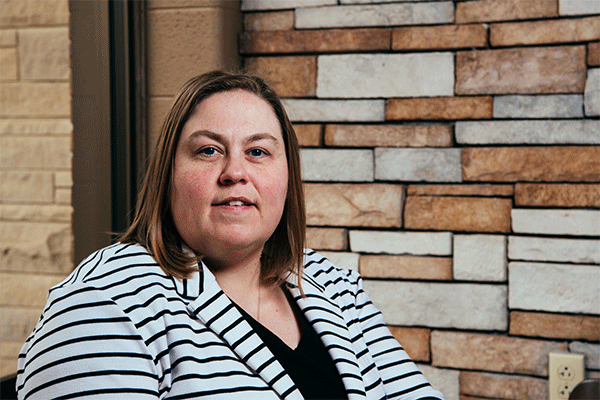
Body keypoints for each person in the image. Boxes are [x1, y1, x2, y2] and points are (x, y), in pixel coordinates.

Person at [16, 71, 444, 400]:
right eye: (208, 150)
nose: (235, 172)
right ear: (168, 175)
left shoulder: (333, 286)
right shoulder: (102, 303)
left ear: (287, 177)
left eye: (258, 152)